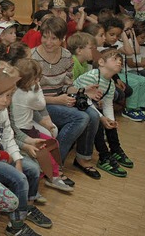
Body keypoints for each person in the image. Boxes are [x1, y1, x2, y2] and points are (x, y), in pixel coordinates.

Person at [0, 69, 51, 235]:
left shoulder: (3, 112)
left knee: (32, 169)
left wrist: (18, 160)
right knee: (20, 179)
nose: (7, 101)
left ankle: (27, 207)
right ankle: (16, 225)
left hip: (0, 156)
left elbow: (8, 137)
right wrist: (8, 160)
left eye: (9, 96)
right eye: (3, 96)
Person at [31, 17, 103, 179]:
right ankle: (54, 164)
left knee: (92, 115)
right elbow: (28, 96)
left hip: (60, 99)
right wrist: (57, 100)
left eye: (54, 38)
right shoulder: (32, 57)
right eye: (45, 37)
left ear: (63, 38)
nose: (48, 42)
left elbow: (66, 85)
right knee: (80, 118)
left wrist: (82, 91)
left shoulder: (66, 56)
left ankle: (82, 158)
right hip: (40, 104)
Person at [12, 59, 72, 192]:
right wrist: (38, 87)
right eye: (37, 78)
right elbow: (42, 105)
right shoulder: (29, 95)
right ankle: (53, 177)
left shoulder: (18, 89)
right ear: (30, 79)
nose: (39, 80)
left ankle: (51, 173)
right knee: (45, 150)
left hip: (28, 128)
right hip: (24, 131)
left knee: (53, 143)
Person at [74, 49, 132, 178]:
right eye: (115, 59)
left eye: (120, 61)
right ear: (101, 62)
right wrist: (102, 118)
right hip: (75, 103)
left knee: (109, 122)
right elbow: (84, 99)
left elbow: (107, 104)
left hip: (88, 105)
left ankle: (115, 149)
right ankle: (104, 156)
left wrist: (110, 120)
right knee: (97, 120)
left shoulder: (111, 84)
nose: (119, 62)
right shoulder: (92, 76)